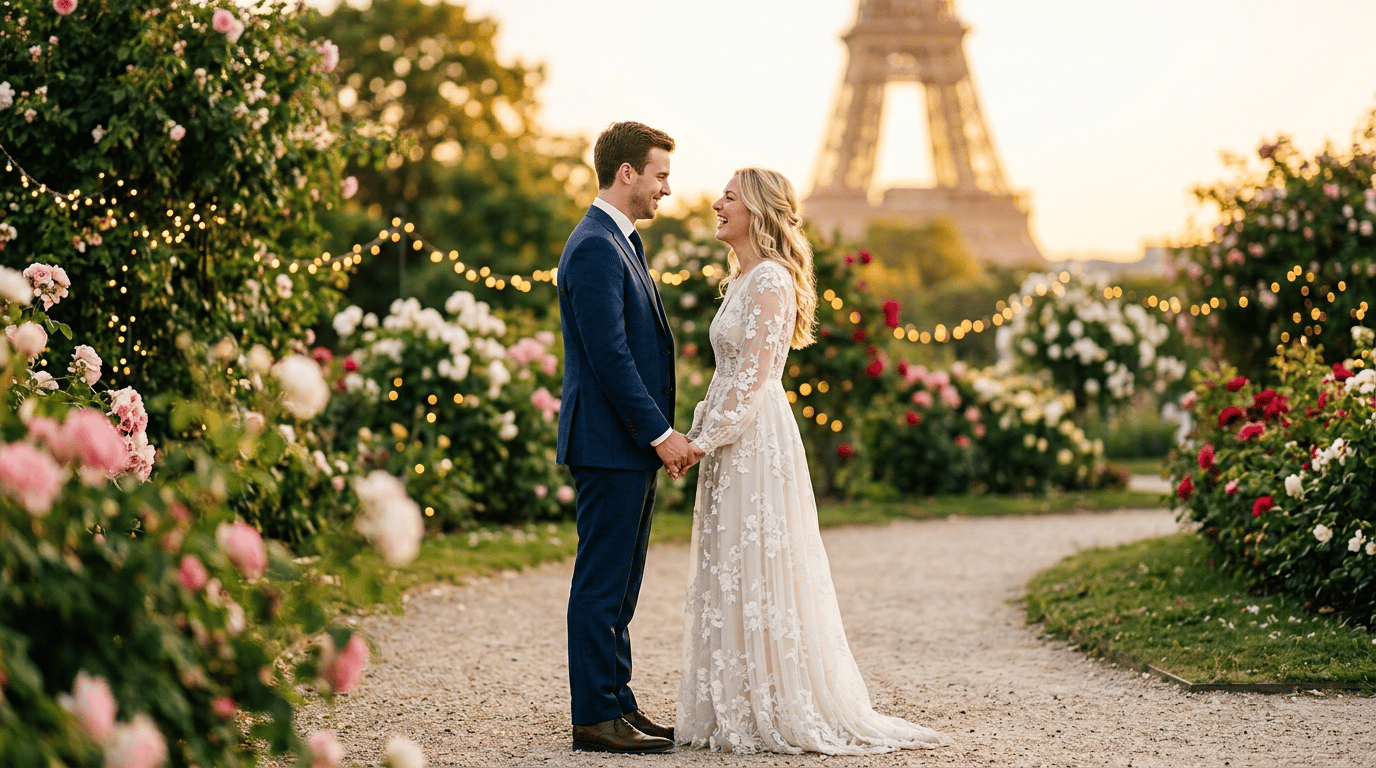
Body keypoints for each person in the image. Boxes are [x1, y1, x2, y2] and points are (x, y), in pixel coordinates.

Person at [675, 168, 950, 754]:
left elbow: (752, 379)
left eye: (730, 196)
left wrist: (704, 439)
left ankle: (776, 703)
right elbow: (727, 377)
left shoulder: (771, 278)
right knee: (733, 563)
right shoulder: (742, 279)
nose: (717, 204)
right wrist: (699, 431)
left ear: (758, 209)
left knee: (759, 562)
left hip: (753, 439)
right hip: (731, 438)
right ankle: (739, 703)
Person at [556, 121, 702, 754]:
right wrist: (661, 435)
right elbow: (610, 356)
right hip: (609, 443)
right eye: (661, 175)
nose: (667, 188)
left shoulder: (620, 242)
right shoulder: (595, 247)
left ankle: (617, 702)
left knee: (622, 581)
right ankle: (594, 715)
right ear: (627, 174)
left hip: (620, 446)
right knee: (602, 581)